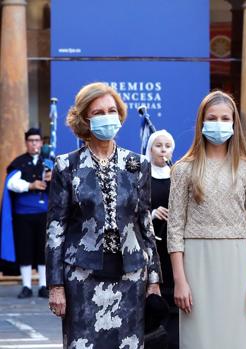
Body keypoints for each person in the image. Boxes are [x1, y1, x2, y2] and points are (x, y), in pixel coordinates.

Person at [46, 82, 162, 347]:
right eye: (98, 112)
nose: (107, 117)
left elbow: (145, 224)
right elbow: (55, 229)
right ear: (85, 119)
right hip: (82, 277)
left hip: (132, 276)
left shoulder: (137, 164)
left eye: (112, 110)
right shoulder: (67, 165)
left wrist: (154, 279)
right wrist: (55, 285)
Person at [167, 91, 246, 348]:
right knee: (197, 338)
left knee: (233, 338)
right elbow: (174, 229)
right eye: (212, 118)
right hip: (196, 262)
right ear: (201, 122)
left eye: (225, 118)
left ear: (234, 123)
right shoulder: (182, 169)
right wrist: (180, 281)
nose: (218, 123)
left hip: (235, 261)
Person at [5, 128, 50, 298]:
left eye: (37, 140)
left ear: (41, 142)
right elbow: (11, 184)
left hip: (44, 213)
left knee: (42, 250)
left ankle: (43, 285)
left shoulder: (49, 162)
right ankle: (26, 286)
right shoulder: (19, 162)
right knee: (25, 249)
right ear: (26, 143)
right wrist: (30, 185)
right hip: (23, 214)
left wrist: (53, 178)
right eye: (31, 140)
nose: (34, 143)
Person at [146, 130, 178, 349]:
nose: (163, 149)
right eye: (158, 145)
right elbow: (132, 212)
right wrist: (152, 214)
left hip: (172, 244)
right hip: (150, 245)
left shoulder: (177, 175)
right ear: (150, 148)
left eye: (167, 145)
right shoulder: (142, 176)